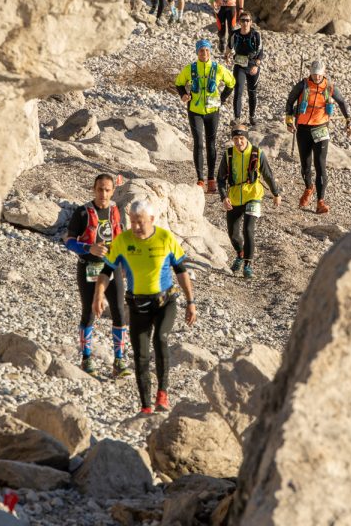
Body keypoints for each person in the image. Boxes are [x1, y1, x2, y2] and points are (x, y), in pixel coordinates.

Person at [93, 198, 197, 414]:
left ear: (151, 219)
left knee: (160, 338)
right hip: (138, 305)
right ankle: (145, 406)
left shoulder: (165, 238)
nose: (136, 227)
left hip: (164, 302)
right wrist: (98, 294)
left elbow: (181, 271)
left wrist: (190, 302)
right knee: (140, 354)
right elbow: (106, 271)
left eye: (140, 222)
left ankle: (162, 394)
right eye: (132, 222)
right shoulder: (123, 241)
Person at [64, 173, 128, 377]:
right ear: (93, 189)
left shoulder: (116, 211)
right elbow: (69, 241)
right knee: (89, 312)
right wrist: (88, 248)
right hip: (88, 267)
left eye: (108, 190)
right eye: (100, 189)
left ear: (113, 191)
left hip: (111, 268)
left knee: (118, 311)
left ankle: (119, 360)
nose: (103, 193)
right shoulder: (82, 213)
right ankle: (86, 358)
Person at [284, 58, 351, 215]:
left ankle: (320, 201)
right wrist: (289, 121)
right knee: (305, 165)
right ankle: (308, 188)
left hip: (321, 128)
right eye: (314, 75)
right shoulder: (303, 85)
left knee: (320, 165)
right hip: (303, 129)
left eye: (319, 75)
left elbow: (342, 103)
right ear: (310, 73)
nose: (316, 78)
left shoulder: (329, 87)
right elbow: (289, 101)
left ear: (324, 73)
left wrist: (348, 122)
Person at [217, 125, 281, 279]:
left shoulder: (257, 153)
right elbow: (220, 179)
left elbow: (268, 175)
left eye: (241, 138)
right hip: (234, 197)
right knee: (233, 233)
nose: (239, 142)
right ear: (232, 140)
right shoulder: (229, 154)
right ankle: (240, 254)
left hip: (253, 194)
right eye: (235, 139)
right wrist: (224, 197)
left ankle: (248, 265)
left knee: (248, 229)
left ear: (246, 138)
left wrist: (275, 193)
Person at [175, 39, 236, 193]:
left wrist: (221, 99)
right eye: (201, 50)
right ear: (197, 52)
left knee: (211, 144)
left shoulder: (218, 68)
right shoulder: (190, 68)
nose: (204, 53)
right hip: (195, 110)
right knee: (198, 143)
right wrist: (183, 95)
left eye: (207, 50)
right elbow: (179, 83)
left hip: (212, 112)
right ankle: (200, 179)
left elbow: (232, 83)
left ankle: (211, 179)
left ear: (210, 52)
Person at [228, 12, 263, 124]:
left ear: (251, 22)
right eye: (243, 20)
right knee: (238, 91)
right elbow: (229, 47)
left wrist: (257, 66)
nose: (245, 23)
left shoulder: (256, 35)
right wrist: (226, 56)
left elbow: (260, 52)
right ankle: (237, 118)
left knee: (252, 92)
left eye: (247, 20)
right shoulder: (235, 34)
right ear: (239, 22)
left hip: (253, 66)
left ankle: (252, 117)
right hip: (239, 66)